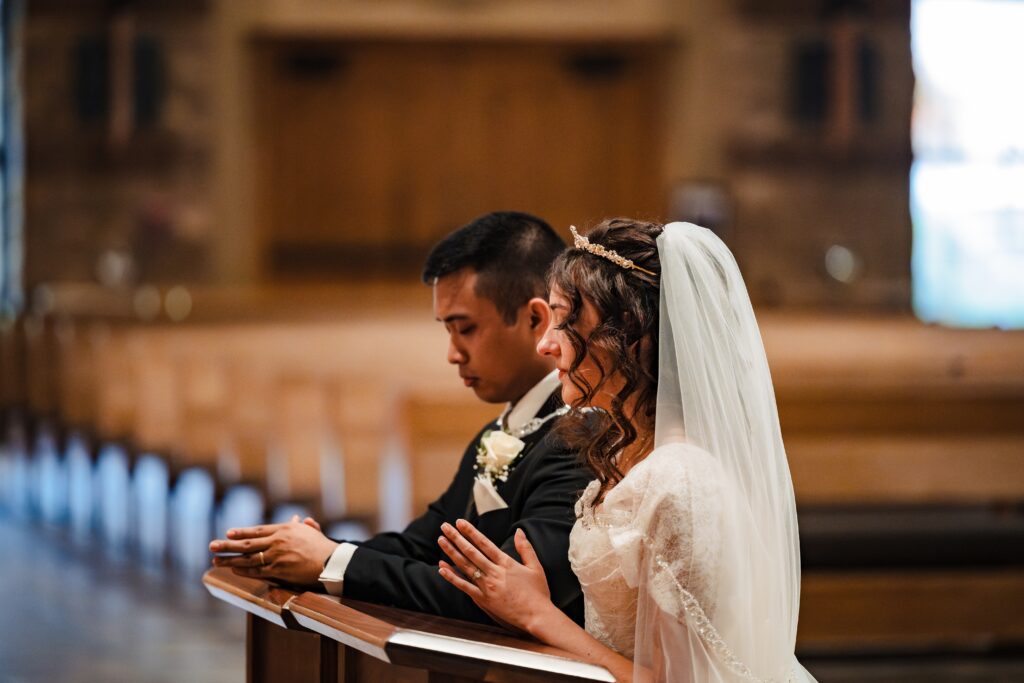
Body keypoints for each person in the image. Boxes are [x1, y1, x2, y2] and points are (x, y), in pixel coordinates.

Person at [437, 219, 817, 681]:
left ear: (627, 334)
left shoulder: (679, 480)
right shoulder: (626, 455)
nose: (545, 344)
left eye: (564, 320)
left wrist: (537, 614)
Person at [209, 211, 593, 625]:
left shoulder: (580, 438)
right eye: (446, 330)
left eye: (464, 329)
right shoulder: (502, 430)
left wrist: (332, 561)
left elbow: (502, 596)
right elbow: (423, 546)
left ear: (534, 319)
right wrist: (312, 551)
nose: (452, 353)